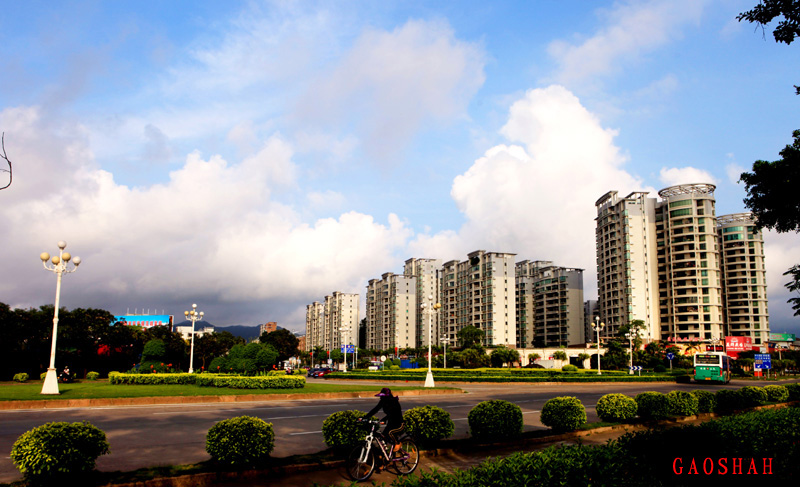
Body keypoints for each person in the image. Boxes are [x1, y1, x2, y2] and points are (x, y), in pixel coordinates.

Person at [364, 387, 405, 456]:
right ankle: (384, 459)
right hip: (390, 424)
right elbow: (375, 409)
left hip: (398, 424)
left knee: (390, 433)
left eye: (383, 397)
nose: (381, 398)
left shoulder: (394, 402)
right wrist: (365, 417)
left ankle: (398, 443)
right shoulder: (383, 401)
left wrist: (384, 419)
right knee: (383, 439)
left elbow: (393, 413)